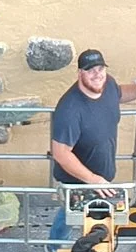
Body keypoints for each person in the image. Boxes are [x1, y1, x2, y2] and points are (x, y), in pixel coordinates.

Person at [49, 49, 125, 206]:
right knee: (69, 220)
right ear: (79, 73)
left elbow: (120, 93)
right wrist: (94, 180)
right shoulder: (70, 109)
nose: (97, 74)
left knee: (100, 223)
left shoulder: (108, 84)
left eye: (100, 68)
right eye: (90, 70)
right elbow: (61, 153)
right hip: (77, 184)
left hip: (101, 181)